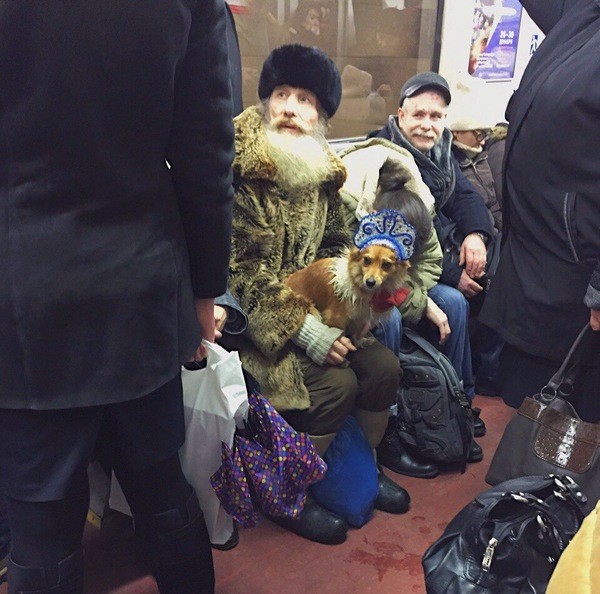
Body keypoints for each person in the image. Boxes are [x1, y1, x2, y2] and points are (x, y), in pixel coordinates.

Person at [0, 2, 234, 593]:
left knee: (41, 520)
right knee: (161, 486)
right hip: (140, 283)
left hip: (23, 290)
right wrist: (206, 287)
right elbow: (205, 150)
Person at [221, 43, 410, 546]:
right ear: (265, 102)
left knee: (384, 369)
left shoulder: (322, 175)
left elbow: (340, 246)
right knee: (335, 385)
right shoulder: (241, 171)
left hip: (326, 310)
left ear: (322, 115)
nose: (289, 108)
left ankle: (364, 466)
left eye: (305, 99)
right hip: (254, 327)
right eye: (281, 94)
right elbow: (239, 273)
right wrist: (304, 330)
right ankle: (288, 490)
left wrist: (361, 304)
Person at [479, 0, 600, 421]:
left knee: (575, 429)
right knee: (533, 412)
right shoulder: (583, 14)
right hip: (538, 270)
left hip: (580, 285)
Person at [368, 72, 493, 416]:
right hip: (394, 270)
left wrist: (475, 235)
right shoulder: (385, 157)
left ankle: (457, 401)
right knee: (399, 314)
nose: (427, 125)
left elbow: (467, 199)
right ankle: (391, 417)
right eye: (419, 115)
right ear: (400, 115)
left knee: (456, 302)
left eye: (436, 116)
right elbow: (417, 233)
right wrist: (453, 274)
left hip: (431, 265)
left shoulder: (442, 155)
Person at [447, 93, 505, 396]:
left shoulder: (483, 157)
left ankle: (493, 369)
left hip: (492, 236)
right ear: (456, 133)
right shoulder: (449, 162)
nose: (483, 139)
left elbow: (491, 204)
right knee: (494, 292)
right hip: (462, 247)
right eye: (476, 133)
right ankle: (484, 376)